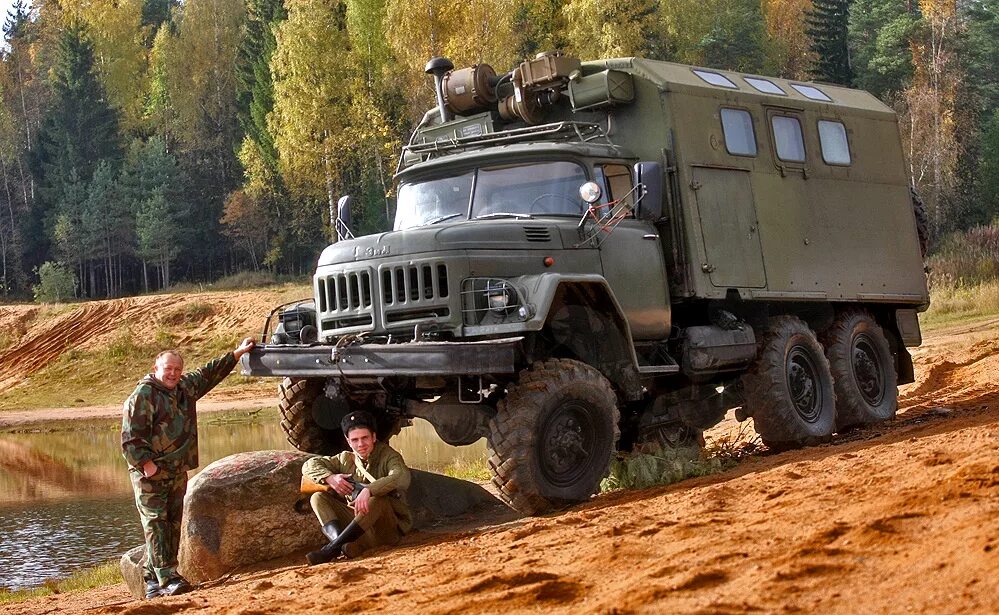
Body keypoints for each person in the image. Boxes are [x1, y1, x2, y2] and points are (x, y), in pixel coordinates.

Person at [121, 338, 255, 599]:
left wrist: (237, 353)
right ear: (156, 368)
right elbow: (130, 439)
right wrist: (148, 467)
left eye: (177, 369)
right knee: (156, 524)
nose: (172, 374)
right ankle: (168, 577)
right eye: (168, 369)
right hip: (150, 475)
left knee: (172, 525)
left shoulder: (184, 388)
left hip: (176, 471)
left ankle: (152, 580)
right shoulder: (143, 395)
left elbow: (208, 373)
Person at [302, 410, 412, 564]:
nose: (360, 444)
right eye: (355, 440)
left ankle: (332, 549)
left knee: (377, 500)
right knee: (318, 498)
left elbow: (400, 477)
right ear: (348, 441)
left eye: (365, 438)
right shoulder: (345, 459)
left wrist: (369, 490)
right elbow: (309, 465)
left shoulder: (389, 456)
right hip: (358, 528)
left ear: (373, 437)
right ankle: (343, 545)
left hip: (386, 529)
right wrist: (330, 478)